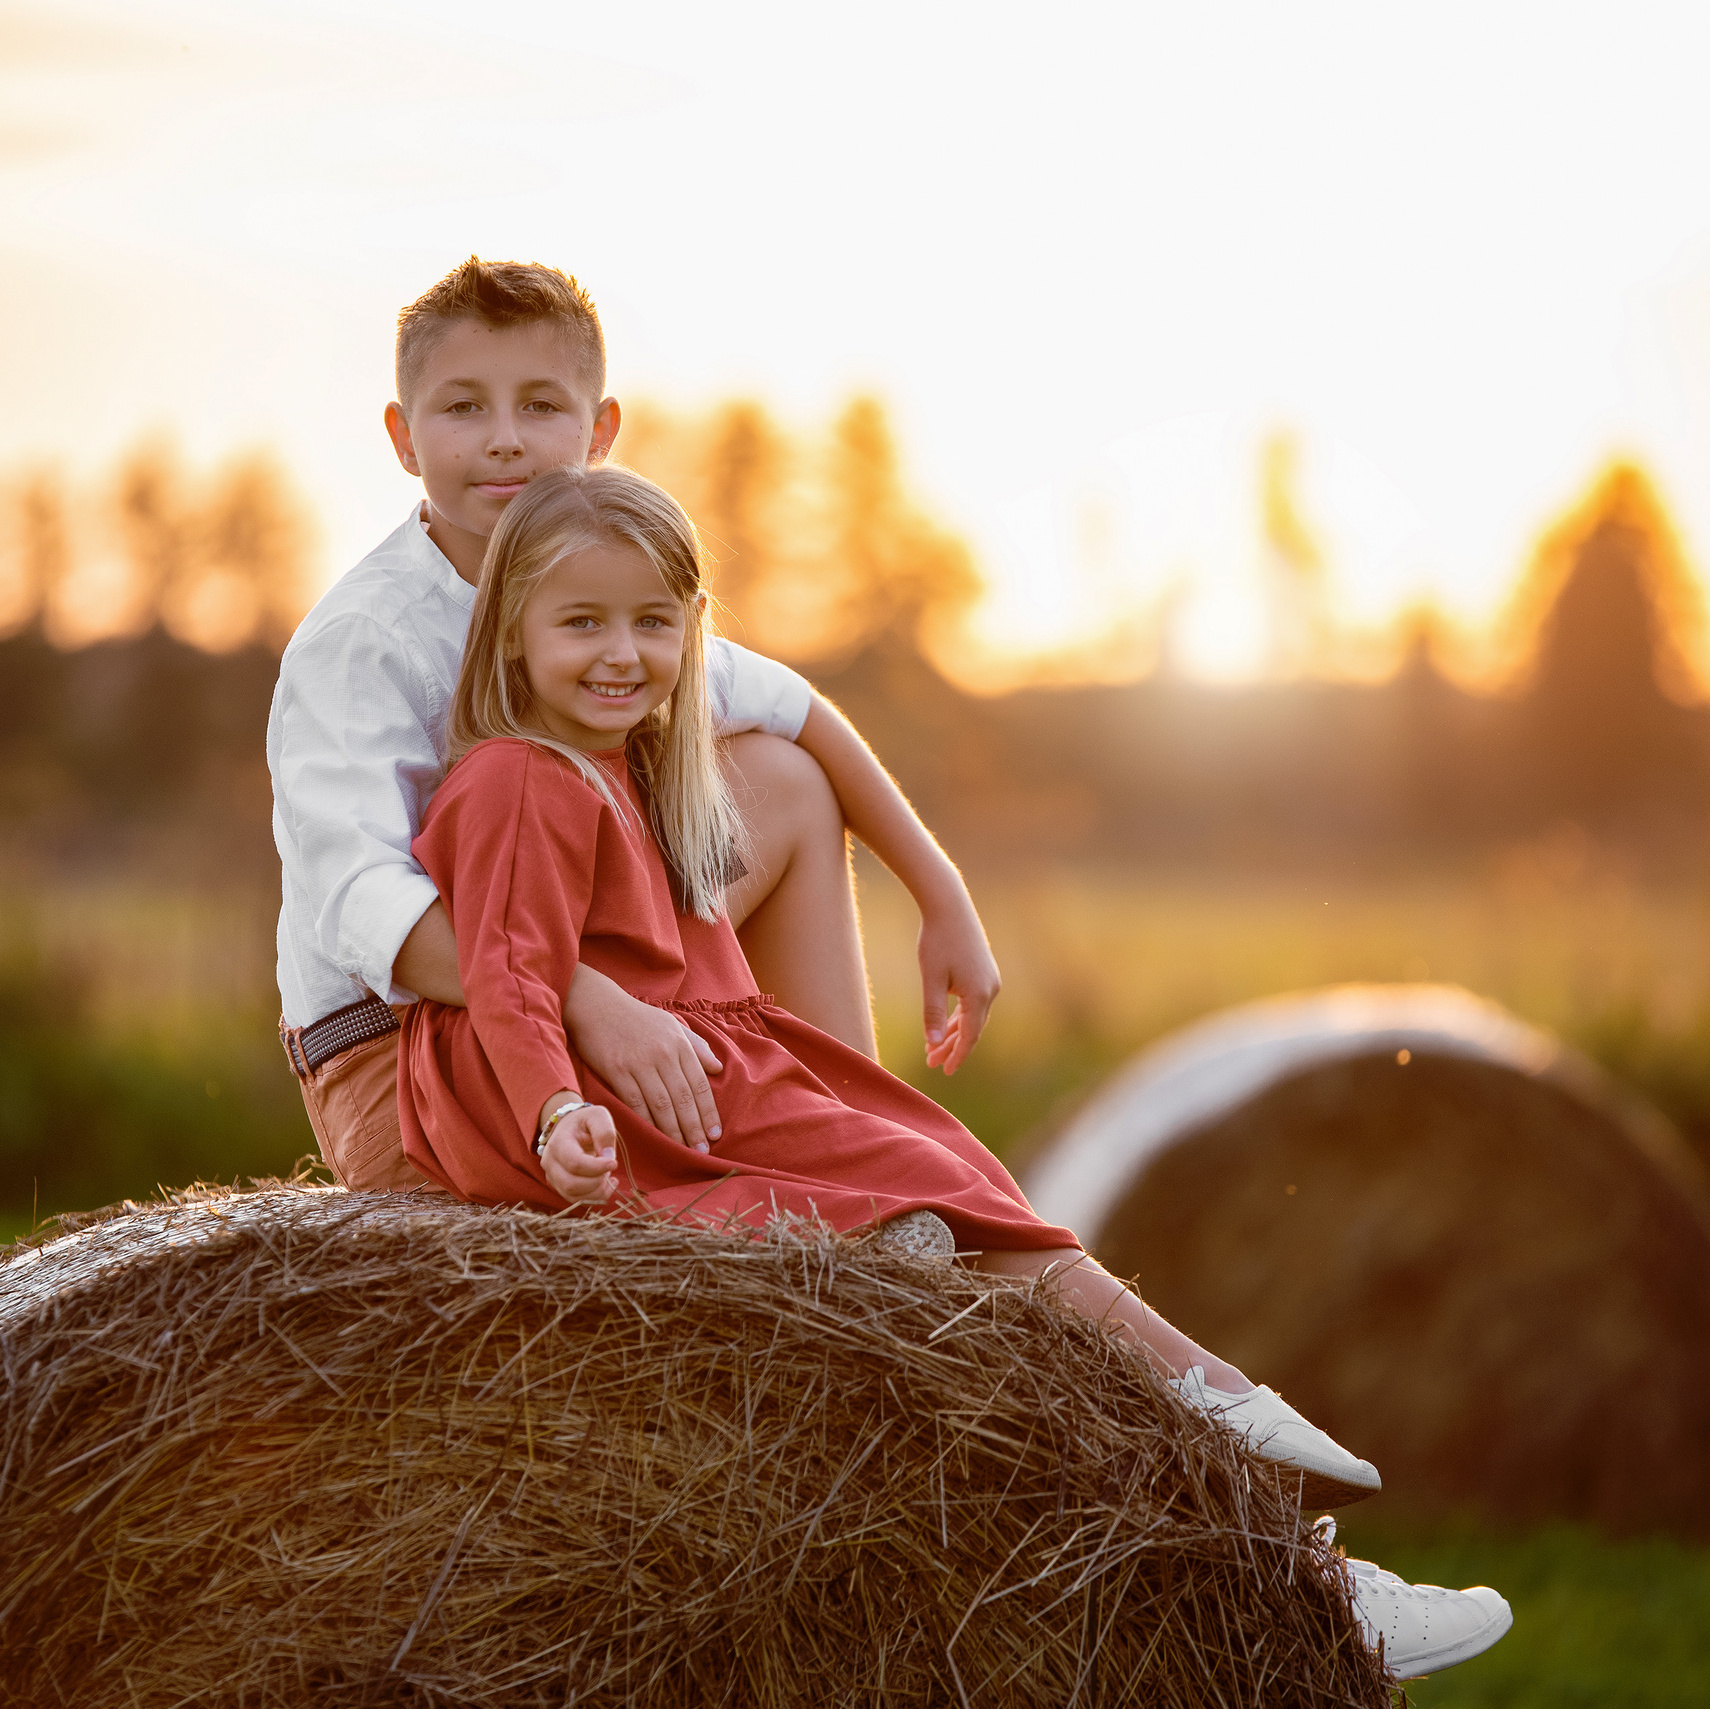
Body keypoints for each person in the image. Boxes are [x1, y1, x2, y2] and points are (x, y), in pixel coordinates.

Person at [398, 462, 1512, 1684]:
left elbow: (790, 729)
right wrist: (554, 1106)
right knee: (943, 1193)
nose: (622, 654)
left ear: (691, 625)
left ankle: (1297, 1552)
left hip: (673, 1084)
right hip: (614, 1106)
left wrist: (932, 892)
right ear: (511, 630)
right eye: (583, 622)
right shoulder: (520, 776)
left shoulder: (632, 767)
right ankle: (1215, 1409)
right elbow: (509, 972)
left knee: (951, 1182)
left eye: (652, 622)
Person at [269, 258, 1001, 1196]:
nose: (504, 439)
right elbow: (366, 907)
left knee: (783, 778)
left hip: (576, 972)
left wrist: (942, 894)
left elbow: (794, 706)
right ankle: (824, 1171)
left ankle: (845, 1132)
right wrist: (586, 1000)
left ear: (600, 432)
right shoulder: (360, 642)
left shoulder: (602, 598)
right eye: (464, 408)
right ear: (404, 438)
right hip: (404, 1038)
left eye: (541, 405)